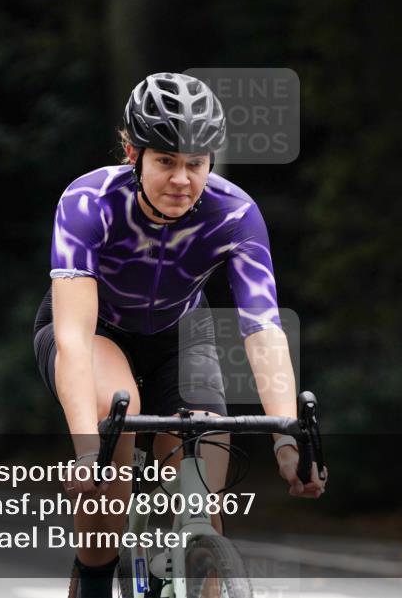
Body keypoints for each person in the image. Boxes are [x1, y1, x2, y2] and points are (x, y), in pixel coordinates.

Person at [33, 72, 327, 597]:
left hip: (180, 338)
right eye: (165, 161)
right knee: (111, 425)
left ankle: (196, 561)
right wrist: (84, 450)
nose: (181, 179)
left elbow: (263, 330)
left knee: (201, 501)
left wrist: (287, 441)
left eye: (195, 163)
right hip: (98, 332)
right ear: (133, 153)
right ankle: (97, 577)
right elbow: (74, 336)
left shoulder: (234, 214)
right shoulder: (88, 202)